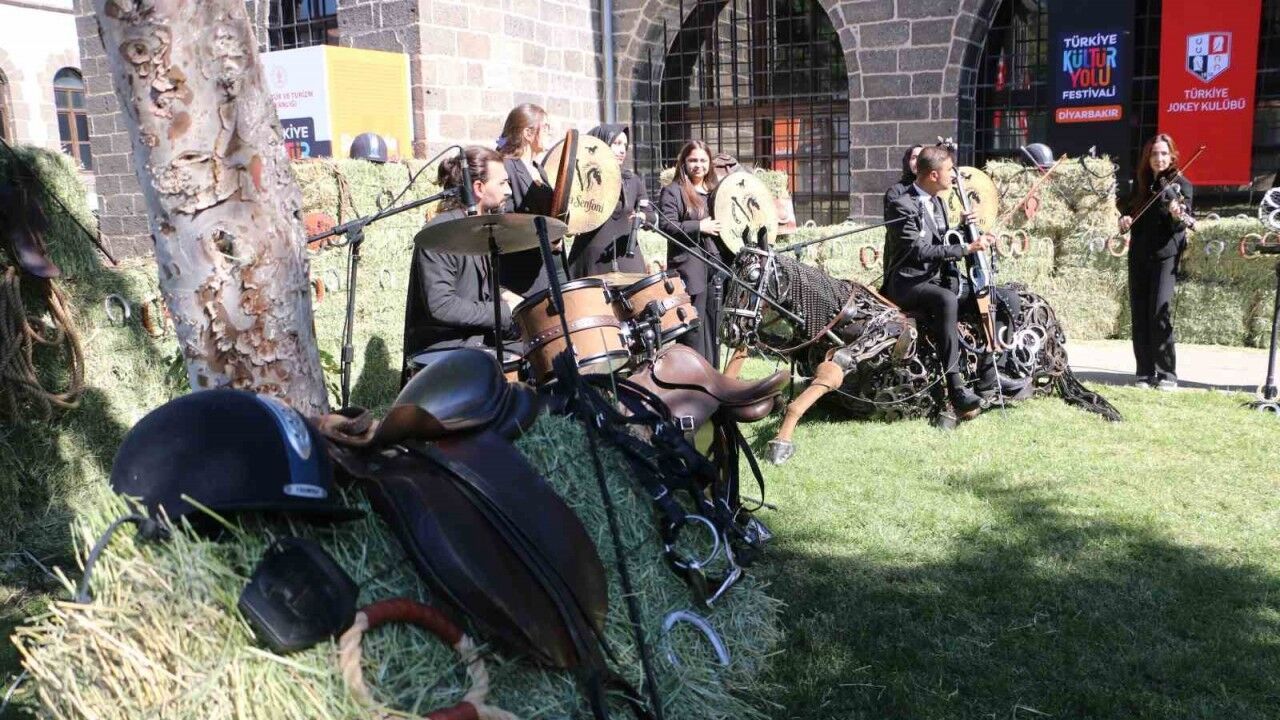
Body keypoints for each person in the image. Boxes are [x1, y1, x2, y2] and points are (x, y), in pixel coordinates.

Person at [881, 145, 1005, 419]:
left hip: (936, 278)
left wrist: (964, 229)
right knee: (946, 299)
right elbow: (919, 250)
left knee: (992, 296)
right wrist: (967, 249)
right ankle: (956, 387)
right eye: (950, 170)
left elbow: (940, 240)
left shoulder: (937, 202)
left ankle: (989, 377)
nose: (954, 175)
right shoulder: (902, 204)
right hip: (908, 282)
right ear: (934, 175)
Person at [402, 146, 524, 369]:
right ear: (478, 188)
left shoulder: (479, 228)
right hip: (445, 351)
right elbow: (442, 305)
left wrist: (505, 296)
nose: (508, 191)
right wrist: (504, 312)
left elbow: (472, 289)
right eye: (502, 183)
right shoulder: (442, 234)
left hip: (477, 340)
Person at [1119, 133, 1193, 390]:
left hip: (1165, 256)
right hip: (1139, 254)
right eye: (1154, 154)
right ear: (1147, 158)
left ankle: (1167, 373)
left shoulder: (1182, 185)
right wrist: (1124, 221)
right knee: (1139, 312)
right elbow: (1127, 213)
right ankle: (1144, 371)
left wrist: (1176, 215)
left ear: (1172, 156)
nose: (1159, 158)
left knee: (1159, 311)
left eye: (1163, 153)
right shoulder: (1140, 185)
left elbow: (1182, 223)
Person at [658, 140, 724, 362]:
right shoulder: (673, 191)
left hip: (714, 268)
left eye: (703, 160)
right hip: (689, 269)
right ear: (684, 163)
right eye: (693, 160)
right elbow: (666, 225)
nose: (698, 165)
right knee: (693, 329)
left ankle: (712, 375)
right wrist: (699, 226)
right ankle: (691, 374)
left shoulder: (715, 192)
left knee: (714, 326)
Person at [495, 103, 566, 297]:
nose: (550, 132)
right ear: (528, 133)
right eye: (546, 127)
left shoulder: (538, 169)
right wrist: (543, 242)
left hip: (547, 269)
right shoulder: (507, 167)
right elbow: (505, 224)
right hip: (521, 278)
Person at [567, 124, 654, 277]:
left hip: (626, 258)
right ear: (600, 144)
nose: (622, 150)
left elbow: (651, 215)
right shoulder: (582, 179)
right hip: (590, 260)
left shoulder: (632, 180)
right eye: (617, 143)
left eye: (625, 145)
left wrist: (643, 217)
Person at [883, 144, 923, 220]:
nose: (918, 161)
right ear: (907, 162)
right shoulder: (895, 191)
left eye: (922, 157)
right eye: (914, 158)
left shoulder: (932, 190)